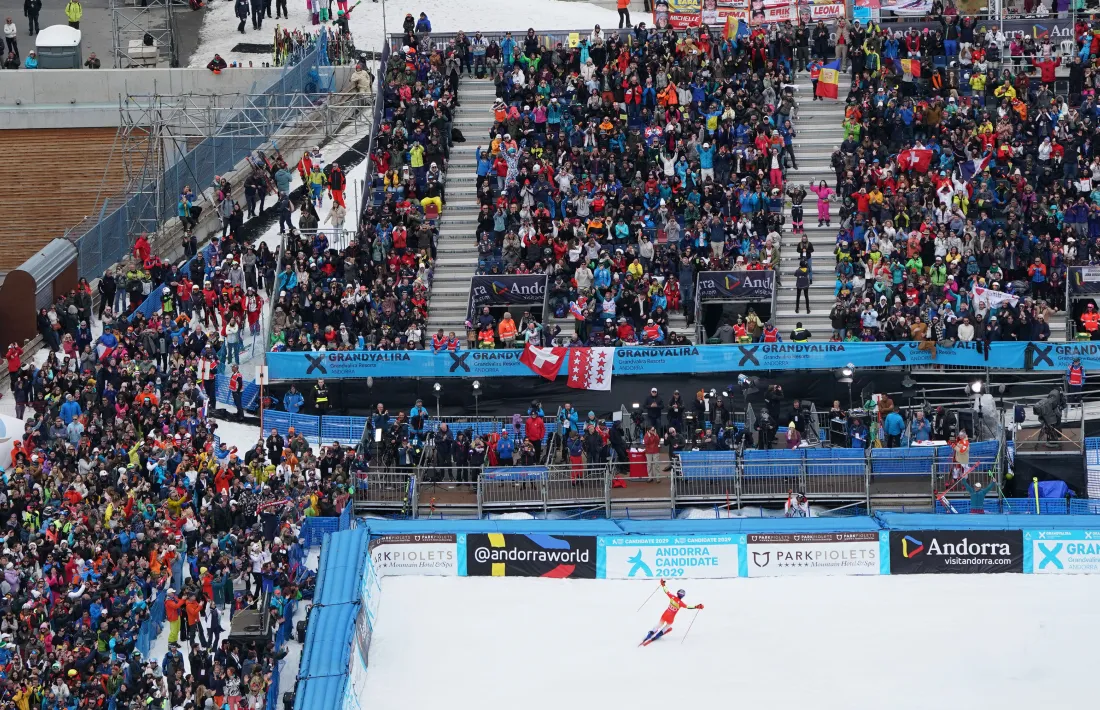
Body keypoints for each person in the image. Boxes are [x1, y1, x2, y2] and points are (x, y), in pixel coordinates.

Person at [641, 579, 703, 645]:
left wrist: (663, 585)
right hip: (671, 618)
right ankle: (659, 634)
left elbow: (666, 591)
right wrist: (696, 606)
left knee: (659, 625)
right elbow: (688, 607)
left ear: (677, 593)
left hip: (665, 615)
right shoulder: (681, 603)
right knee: (667, 626)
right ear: (683, 596)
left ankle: (650, 634)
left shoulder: (672, 597)